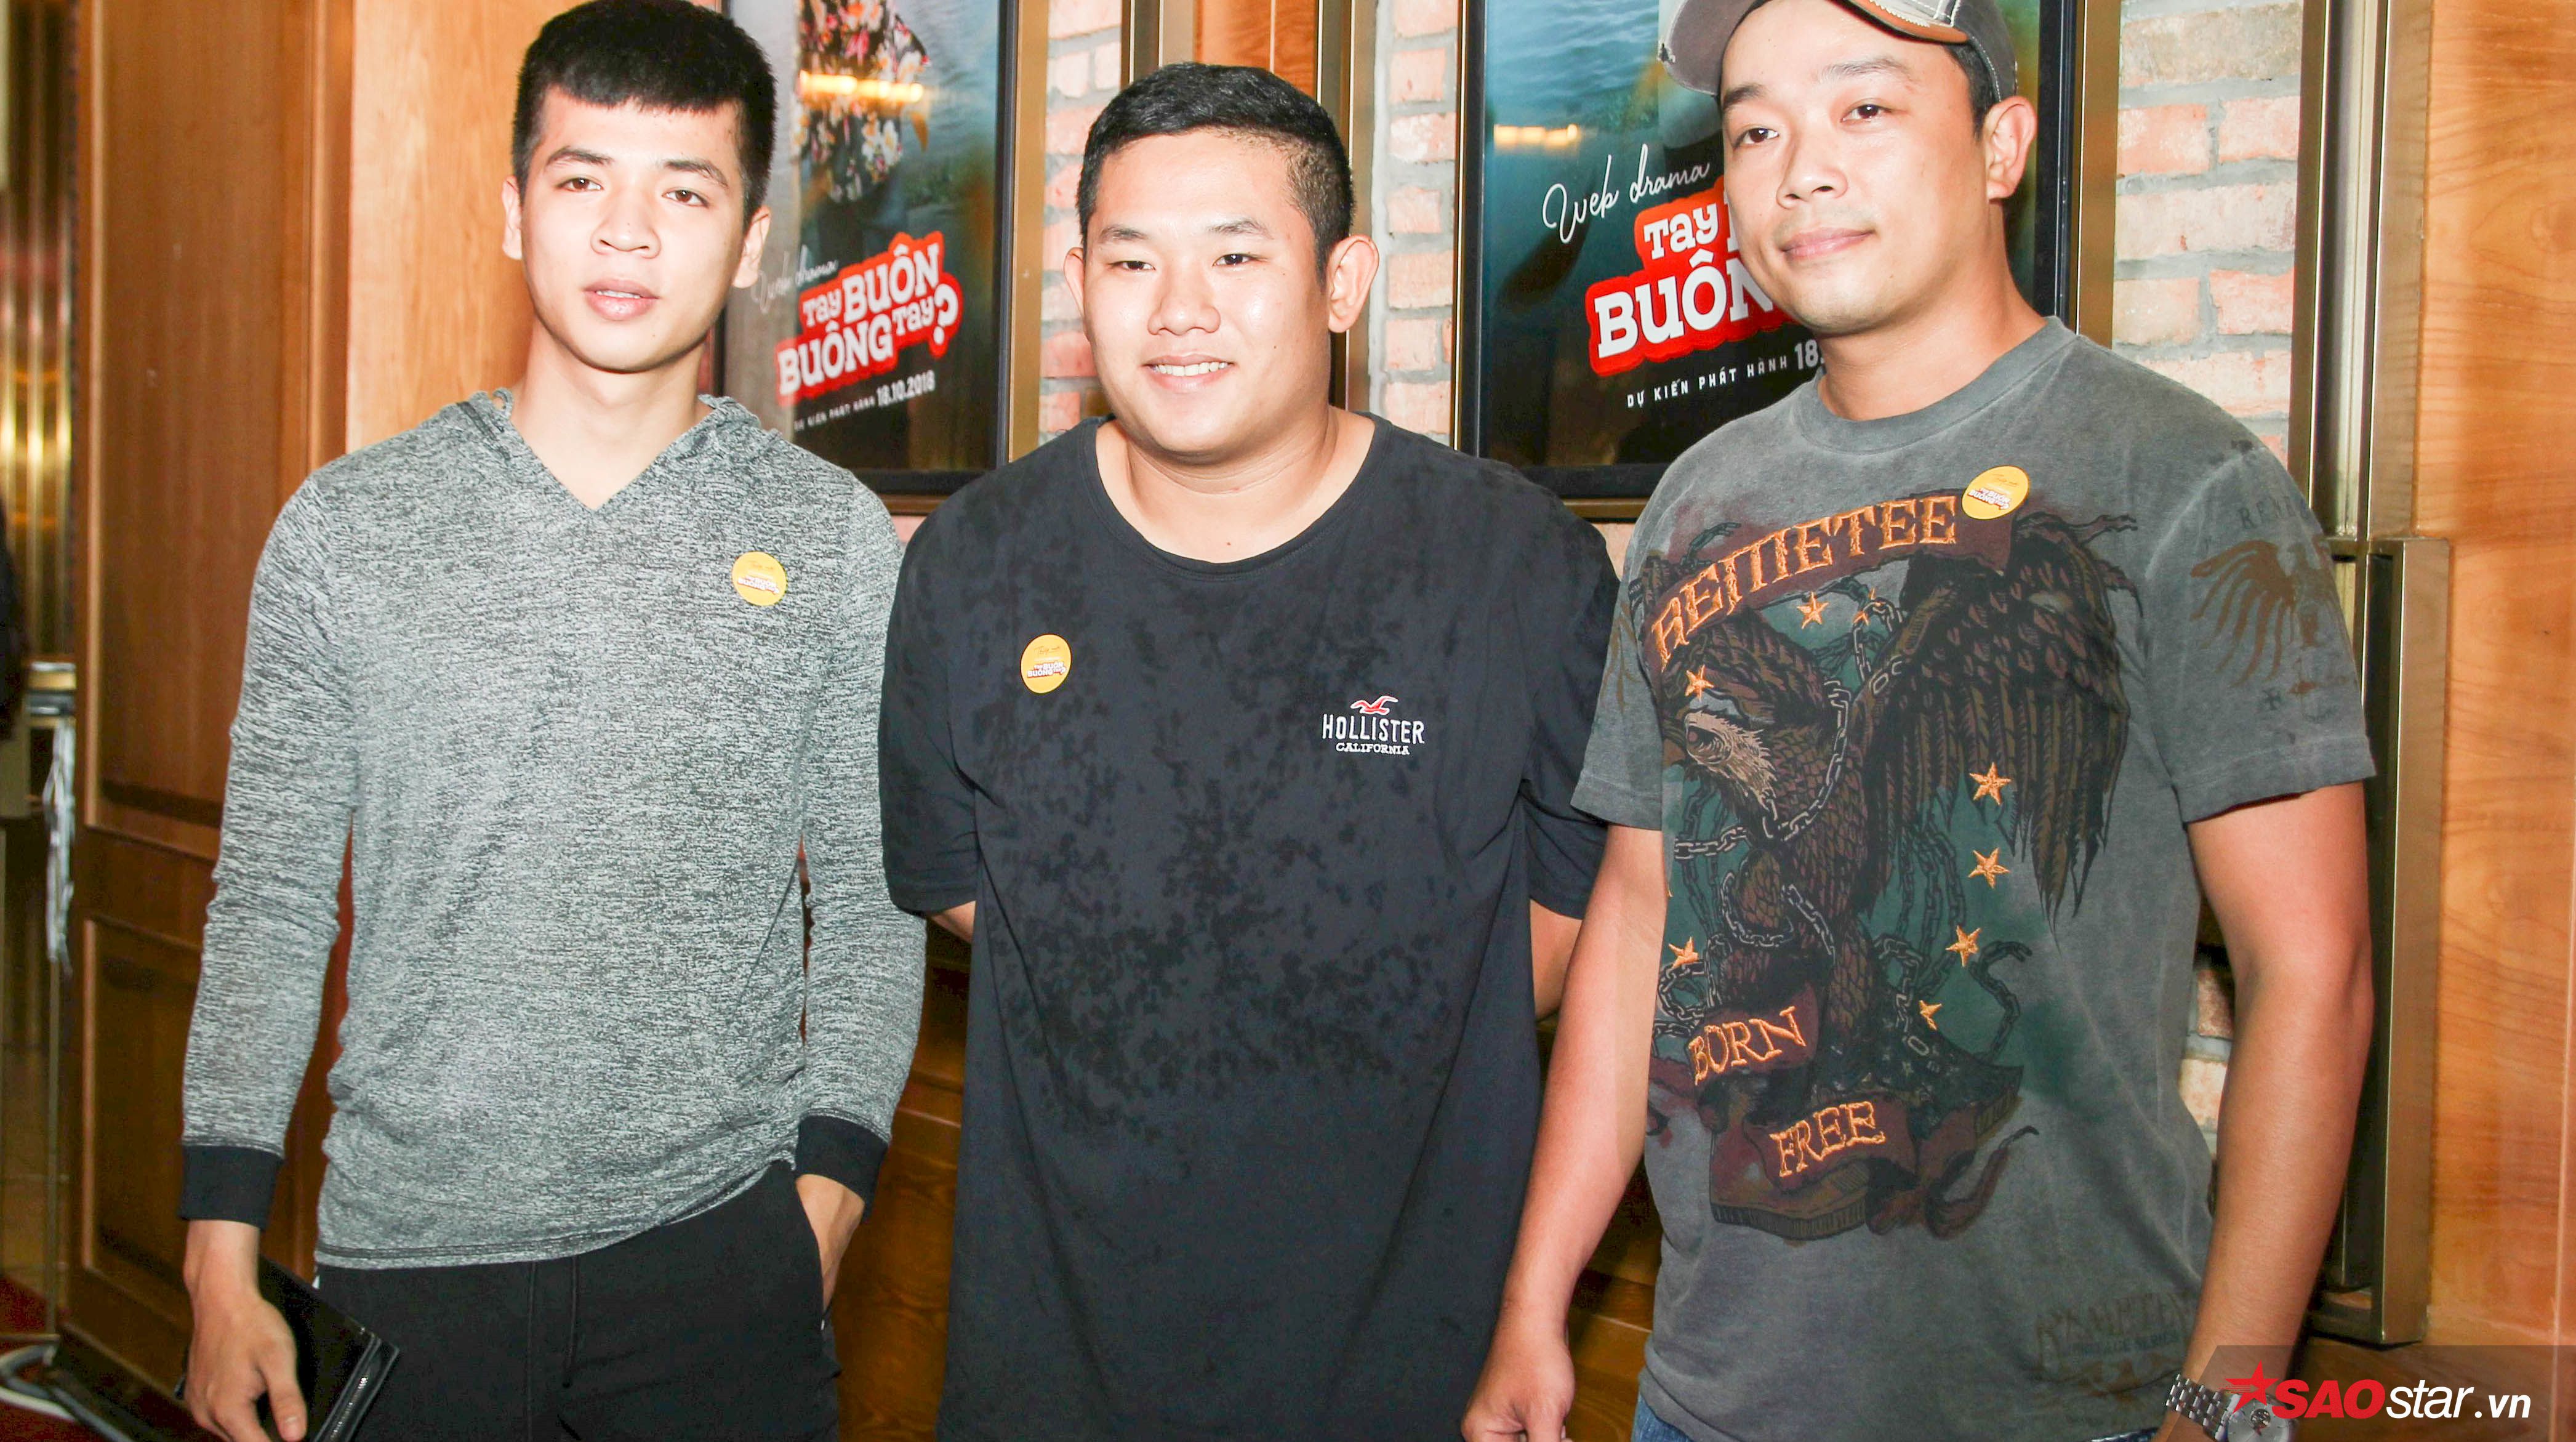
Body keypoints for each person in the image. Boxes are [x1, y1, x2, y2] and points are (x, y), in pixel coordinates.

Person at [1459, 1, 2377, 1440]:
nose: (1800, 168)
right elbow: (1637, 921)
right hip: (1712, 1392)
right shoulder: (1695, 500)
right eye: (1753, 130)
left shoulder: (2181, 478)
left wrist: (2229, 1402)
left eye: (1864, 108)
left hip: (2068, 1399)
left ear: (2000, 146)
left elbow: (2312, 970)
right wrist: (1533, 1303)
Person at [174, 4, 921, 1438]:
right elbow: (268, 899)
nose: (626, 233)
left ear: (751, 240)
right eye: (582, 179)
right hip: (414, 1266)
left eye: (684, 192)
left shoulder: (828, 539)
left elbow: (869, 898)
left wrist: (825, 1202)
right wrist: (219, 1259)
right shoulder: (347, 529)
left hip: (722, 1261)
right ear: (514, 209)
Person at [877, 62, 1619, 1441]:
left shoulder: (1515, 566)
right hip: (1053, 1367)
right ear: (1078, 282)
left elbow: (1587, 918)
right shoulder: (971, 563)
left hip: (1421, 1365)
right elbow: (962, 885)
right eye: (1130, 260)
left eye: (1234, 255)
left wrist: (1359, 1014)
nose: (1179, 309)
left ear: (1341, 282)